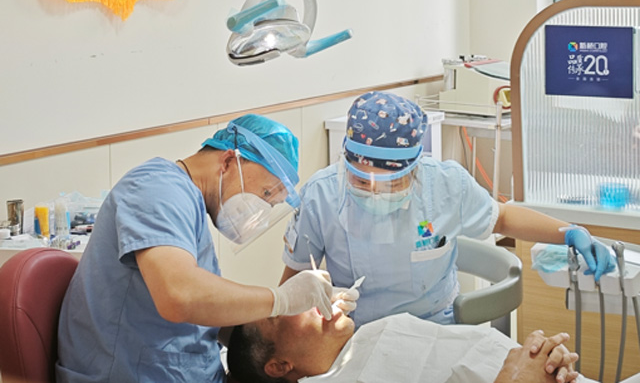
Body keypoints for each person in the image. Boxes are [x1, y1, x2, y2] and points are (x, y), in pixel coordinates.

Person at [55, 114, 355, 382]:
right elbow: (179, 297)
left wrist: (299, 311)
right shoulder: (157, 189)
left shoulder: (190, 206)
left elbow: (205, 318)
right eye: (265, 193)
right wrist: (281, 300)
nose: (262, 210)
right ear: (228, 161)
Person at [280, 91, 616, 328]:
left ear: (414, 168)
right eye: (361, 181)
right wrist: (316, 303)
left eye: (391, 183)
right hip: (356, 333)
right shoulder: (320, 196)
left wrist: (568, 233)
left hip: (437, 328)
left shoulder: (446, 185)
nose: (375, 192)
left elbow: (503, 218)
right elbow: (291, 286)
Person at [226, 308, 587, 383]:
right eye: (280, 314)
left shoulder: (372, 334)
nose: (304, 301)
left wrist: (545, 361)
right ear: (279, 365)